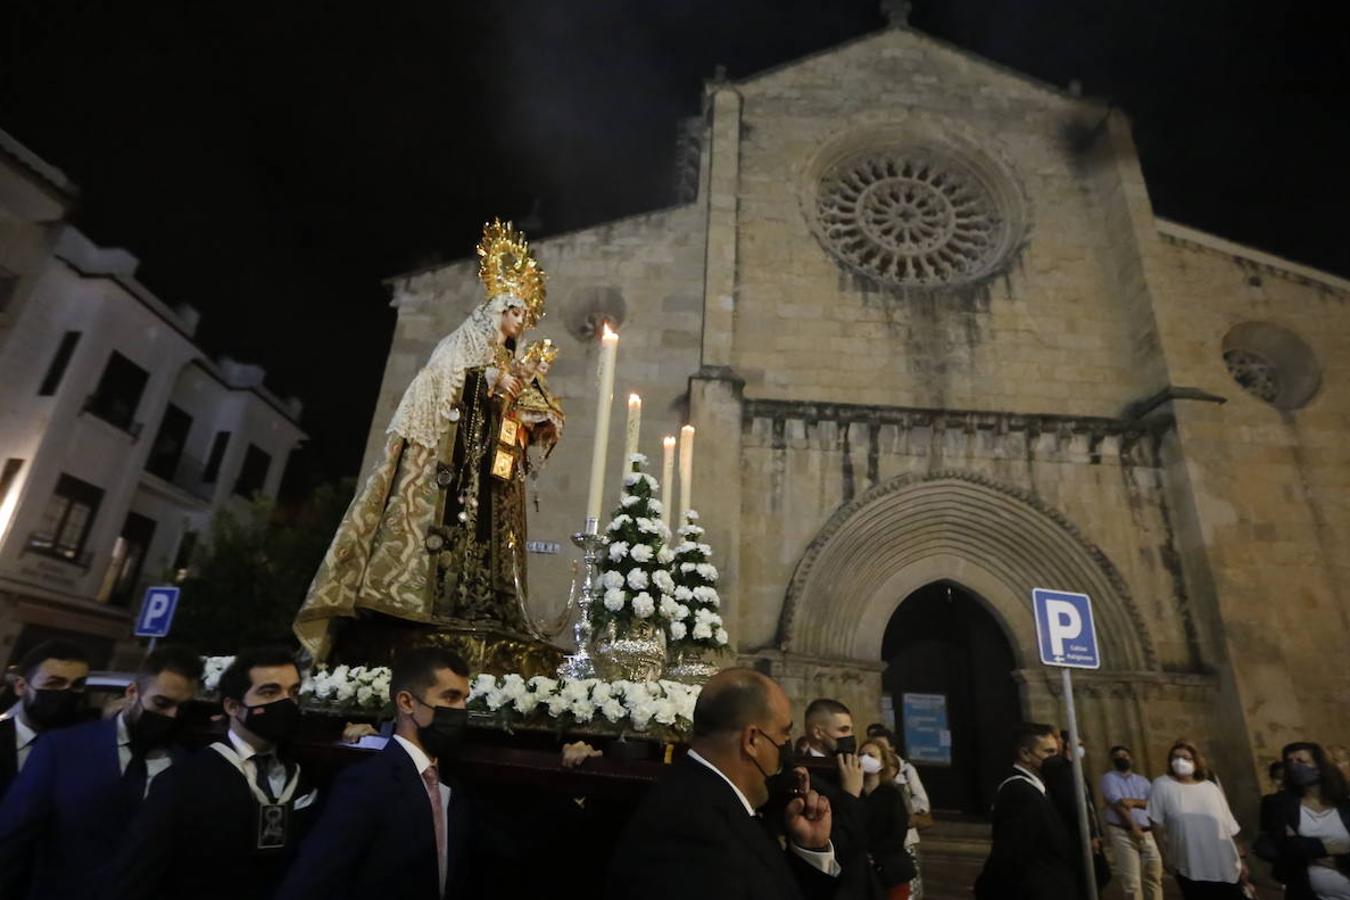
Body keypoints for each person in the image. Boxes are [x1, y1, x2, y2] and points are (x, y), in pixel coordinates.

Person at [294, 220, 554, 661]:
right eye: (517, 313)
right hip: (450, 461)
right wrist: (488, 380)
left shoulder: (507, 357)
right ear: (499, 308)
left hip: (489, 470)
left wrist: (536, 414)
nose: (522, 322)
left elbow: (515, 409)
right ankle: (425, 604)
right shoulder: (464, 342)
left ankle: (484, 604)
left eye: (525, 316)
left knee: (487, 536)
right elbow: (439, 380)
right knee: (442, 530)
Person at [276, 646, 494, 899]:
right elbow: (313, 880)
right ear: (407, 702)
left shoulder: (453, 783)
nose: (461, 710)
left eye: (465, 699)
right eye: (450, 697)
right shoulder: (366, 784)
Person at [604, 668, 841, 900]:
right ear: (752, 740)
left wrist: (810, 848)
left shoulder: (715, 800)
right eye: (784, 734)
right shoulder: (692, 832)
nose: (786, 745)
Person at [105, 646, 317, 900]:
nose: (286, 703)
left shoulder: (304, 774)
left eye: (293, 692)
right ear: (232, 706)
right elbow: (137, 873)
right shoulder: (183, 781)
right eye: (269, 692)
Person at [0, 644, 200, 899]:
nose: (172, 715)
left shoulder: (184, 766)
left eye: (182, 708)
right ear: (133, 692)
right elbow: (15, 836)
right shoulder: (63, 747)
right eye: (162, 703)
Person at [974, 722, 1080, 900]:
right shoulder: (1019, 792)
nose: (1055, 759)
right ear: (1025, 754)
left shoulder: (1039, 788)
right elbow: (1013, 852)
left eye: (1057, 752)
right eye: (1049, 752)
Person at [1148, 739, 1247, 899]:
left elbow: (1229, 824)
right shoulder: (1162, 785)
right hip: (1190, 864)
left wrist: (1241, 859)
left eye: (1186, 758)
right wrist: (1165, 857)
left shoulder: (1210, 787)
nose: (1180, 761)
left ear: (1196, 761)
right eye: (1175, 757)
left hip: (1224, 863)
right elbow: (1155, 823)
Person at [1255, 741, 1350, 900]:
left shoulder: (1344, 804)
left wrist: (1307, 848)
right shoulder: (1281, 805)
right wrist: (1327, 848)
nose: (1294, 766)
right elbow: (1279, 846)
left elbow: (1296, 846)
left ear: (1320, 767)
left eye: (1301, 761)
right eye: (1290, 762)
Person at [0, 640, 91, 799]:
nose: (66, 694)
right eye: (54, 683)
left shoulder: (87, 749)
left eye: (77, 685)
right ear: (21, 686)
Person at [1101, 744, 1164, 900]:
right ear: (1112, 761)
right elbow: (1118, 804)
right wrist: (1133, 826)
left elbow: (1153, 803)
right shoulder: (1109, 778)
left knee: (1154, 876)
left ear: (1131, 759)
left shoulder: (1142, 781)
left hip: (1147, 832)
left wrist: (1133, 802)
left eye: (1125, 755)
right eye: (1117, 757)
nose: (1122, 759)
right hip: (1123, 832)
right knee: (1132, 882)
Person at [859, 740, 917, 900]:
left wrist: (873, 853)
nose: (864, 759)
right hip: (861, 871)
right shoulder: (854, 793)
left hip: (891, 869)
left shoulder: (891, 794)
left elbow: (898, 832)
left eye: (871, 755)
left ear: (882, 763)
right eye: (861, 754)